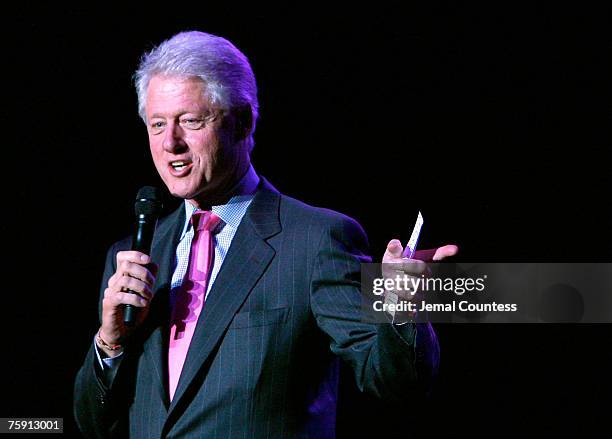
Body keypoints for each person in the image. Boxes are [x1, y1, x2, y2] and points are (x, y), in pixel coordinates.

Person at [73, 30, 457, 439]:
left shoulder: (315, 240)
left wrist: (402, 306)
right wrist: (110, 342)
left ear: (242, 123)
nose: (171, 143)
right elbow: (94, 423)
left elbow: (397, 385)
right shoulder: (134, 257)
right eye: (157, 124)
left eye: (190, 121)